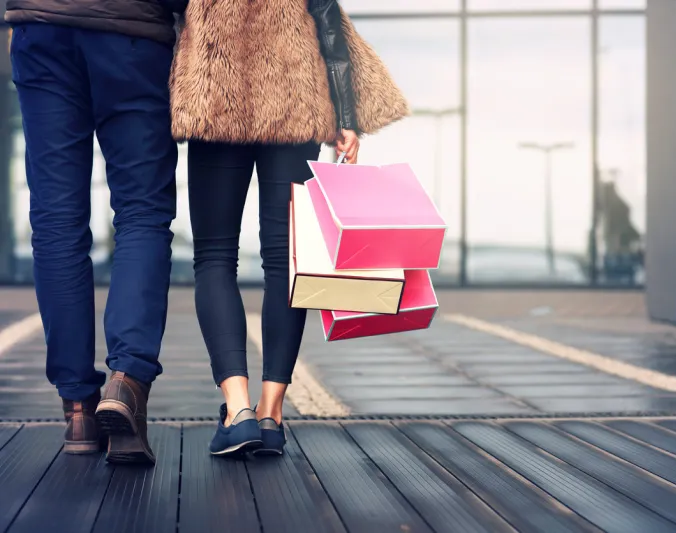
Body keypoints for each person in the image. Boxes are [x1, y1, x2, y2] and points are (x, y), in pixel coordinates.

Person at [170, 0, 407, 456]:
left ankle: (237, 411)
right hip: (294, 97)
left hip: (215, 97)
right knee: (285, 262)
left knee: (214, 258)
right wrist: (346, 117)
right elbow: (328, 23)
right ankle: (271, 415)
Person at [5, 0, 188, 465]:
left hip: (41, 29)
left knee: (55, 220)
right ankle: (126, 383)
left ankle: (78, 411)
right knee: (142, 211)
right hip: (131, 32)